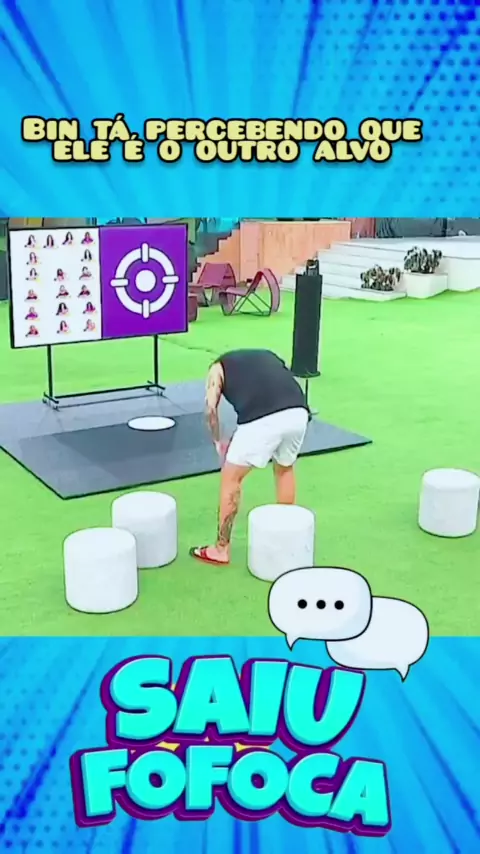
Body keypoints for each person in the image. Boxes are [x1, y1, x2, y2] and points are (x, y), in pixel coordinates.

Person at [190, 349, 310, 566]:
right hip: (298, 412)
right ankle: (286, 538)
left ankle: (220, 549)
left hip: (262, 419)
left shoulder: (216, 368)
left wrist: (218, 441)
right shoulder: (267, 355)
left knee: (231, 477)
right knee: (284, 468)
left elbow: (210, 409)